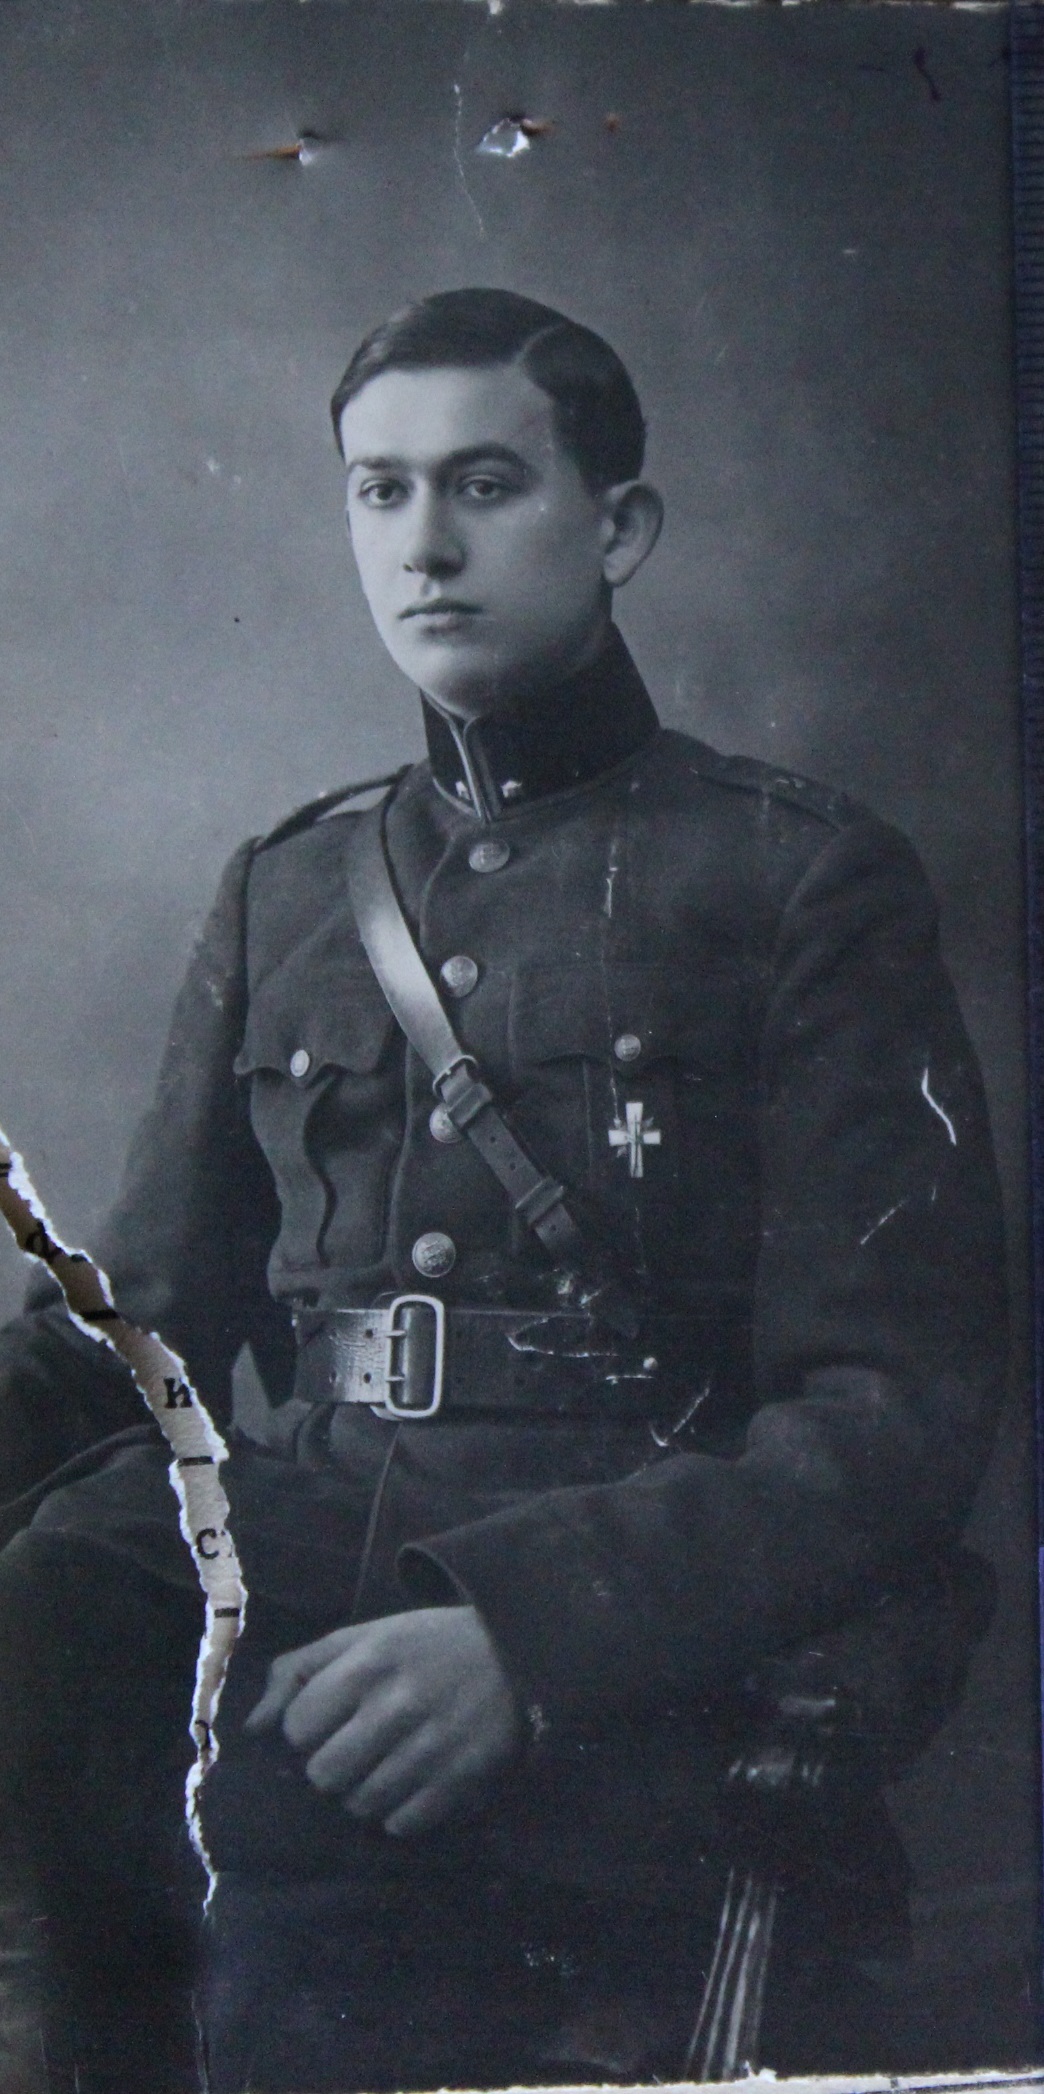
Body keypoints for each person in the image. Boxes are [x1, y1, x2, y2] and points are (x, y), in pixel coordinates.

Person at [0, 289, 1007, 2093]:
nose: (426, 546)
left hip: (624, 1649)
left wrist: (530, 1642)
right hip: (287, 1611)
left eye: (484, 484)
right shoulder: (287, 889)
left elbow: (892, 1409)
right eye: (379, 492)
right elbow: (136, 1337)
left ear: (617, 526)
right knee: (63, 1620)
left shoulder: (796, 876)